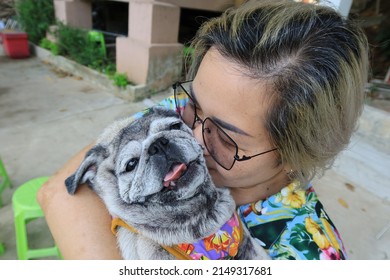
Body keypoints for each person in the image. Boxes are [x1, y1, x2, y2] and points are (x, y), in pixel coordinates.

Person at [37, 0, 369, 260]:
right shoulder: (174, 122)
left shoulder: (304, 252)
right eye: (191, 104)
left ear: (297, 154)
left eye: (225, 138)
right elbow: (59, 195)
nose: (192, 135)